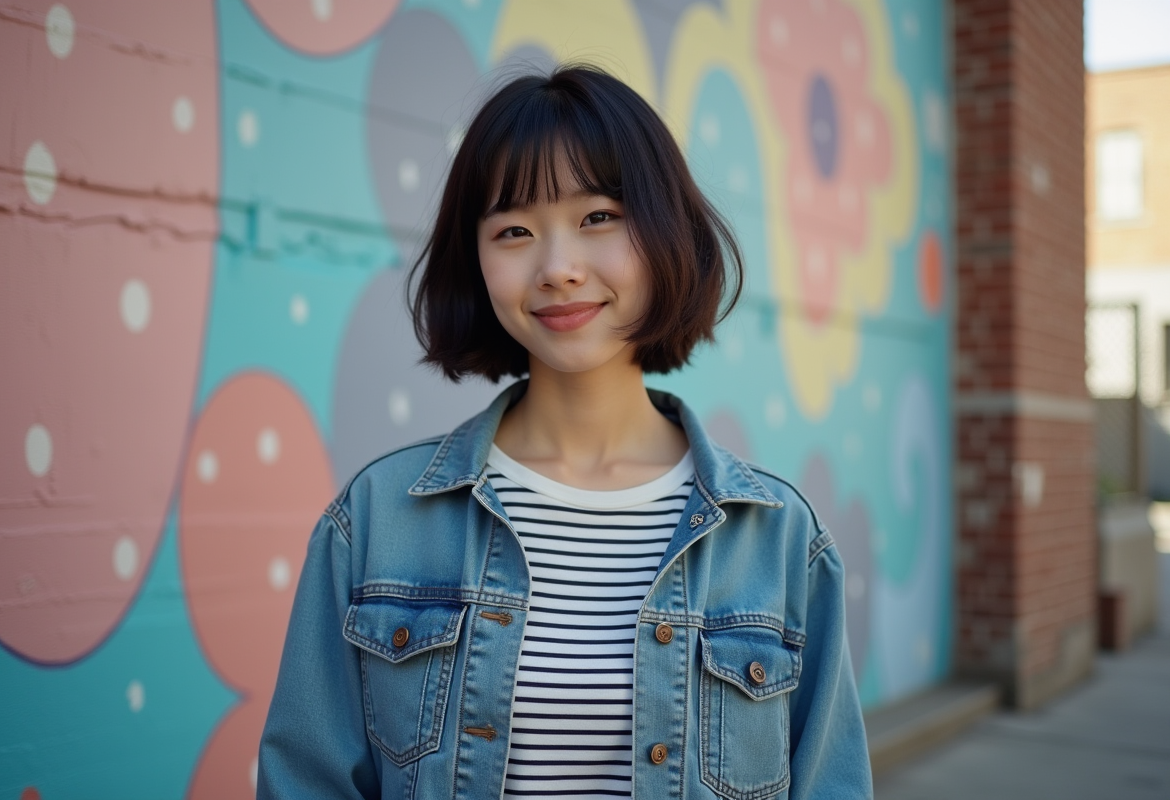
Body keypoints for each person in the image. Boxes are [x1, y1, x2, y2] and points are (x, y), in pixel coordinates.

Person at [258, 64, 871, 799]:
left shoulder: (778, 538)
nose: (557, 268)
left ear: (665, 230)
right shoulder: (375, 521)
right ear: (475, 259)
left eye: (598, 217)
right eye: (514, 231)